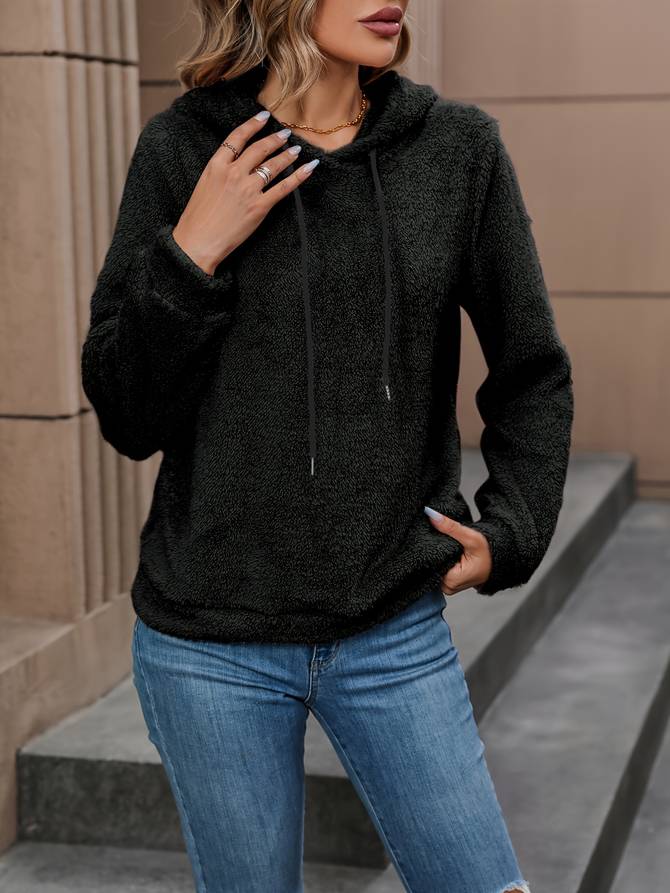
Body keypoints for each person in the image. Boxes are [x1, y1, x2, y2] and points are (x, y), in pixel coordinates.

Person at [81, 1, 572, 890]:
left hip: (392, 626)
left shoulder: (455, 151)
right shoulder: (184, 150)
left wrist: (515, 526)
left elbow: (530, 367)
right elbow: (127, 414)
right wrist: (192, 251)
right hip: (209, 643)